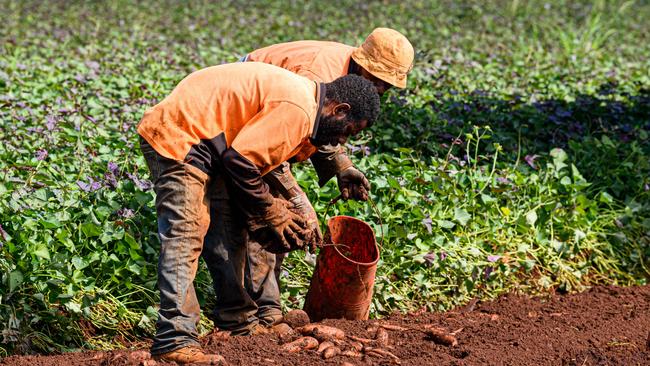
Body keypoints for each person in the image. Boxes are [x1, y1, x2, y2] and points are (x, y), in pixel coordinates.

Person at [137, 62, 380, 363]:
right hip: (181, 135)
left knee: (229, 230)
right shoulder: (299, 110)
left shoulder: (306, 101)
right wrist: (271, 211)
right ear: (340, 110)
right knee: (185, 236)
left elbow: (254, 159)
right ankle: (174, 339)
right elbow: (240, 162)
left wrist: (279, 207)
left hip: (211, 144)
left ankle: (237, 323)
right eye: (347, 132)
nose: (340, 141)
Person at [240, 28, 414, 328]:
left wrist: (341, 166)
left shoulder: (351, 79)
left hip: (278, 120)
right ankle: (262, 312)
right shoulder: (315, 74)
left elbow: (323, 126)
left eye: (386, 86)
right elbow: (276, 149)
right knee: (267, 212)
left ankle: (266, 306)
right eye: (376, 81)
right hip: (250, 112)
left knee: (282, 213)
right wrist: (298, 198)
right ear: (362, 63)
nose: (379, 90)